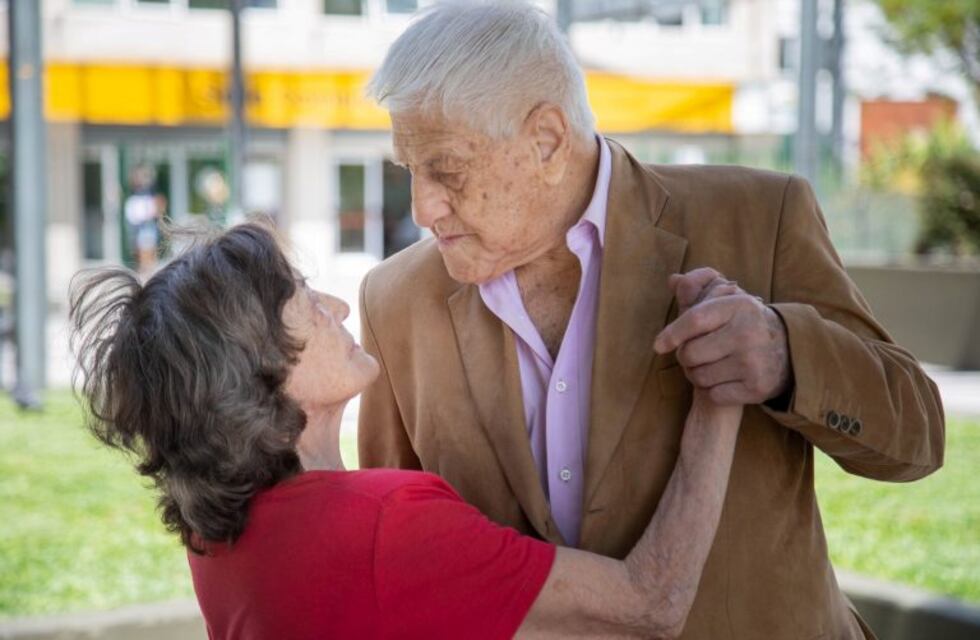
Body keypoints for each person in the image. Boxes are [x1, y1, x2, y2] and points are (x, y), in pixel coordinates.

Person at [356, 2, 945, 638]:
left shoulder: (759, 215)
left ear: (546, 140)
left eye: (446, 170)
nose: (422, 208)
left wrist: (787, 358)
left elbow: (916, 441)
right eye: (408, 170)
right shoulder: (394, 301)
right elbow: (399, 558)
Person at [70, 222, 745, 639]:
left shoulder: (211, 528)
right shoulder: (386, 524)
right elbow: (652, 605)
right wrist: (719, 397)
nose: (337, 306)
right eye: (304, 298)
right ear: (260, 361)